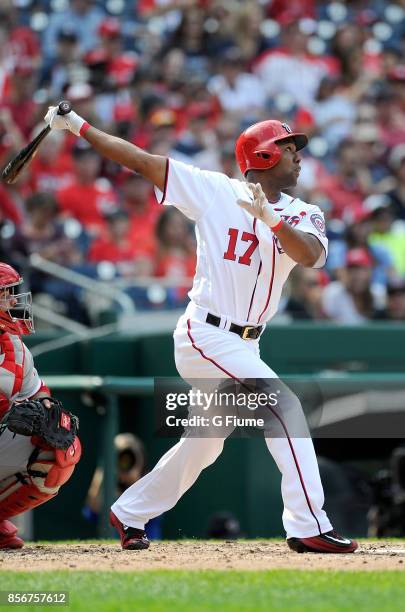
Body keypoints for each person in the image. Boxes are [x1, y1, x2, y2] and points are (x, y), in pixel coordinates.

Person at [44, 105, 358, 554]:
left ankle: (130, 511)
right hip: (205, 333)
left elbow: (310, 256)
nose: (299, 157)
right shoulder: (215, 190)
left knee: (204, 445)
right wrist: (78, 127)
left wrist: (270, 219)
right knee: (284, 408)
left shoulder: (304, 212)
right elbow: (141, 161)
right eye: (289, 149)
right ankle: (309, 524)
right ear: (264, 156)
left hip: (246, 342)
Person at [0, 263, 81, 549]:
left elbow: (38, 394)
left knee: (60, 450)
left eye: (12, 293)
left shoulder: (15, 347)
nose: (12, 301)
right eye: (5, 294)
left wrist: (48, 410)